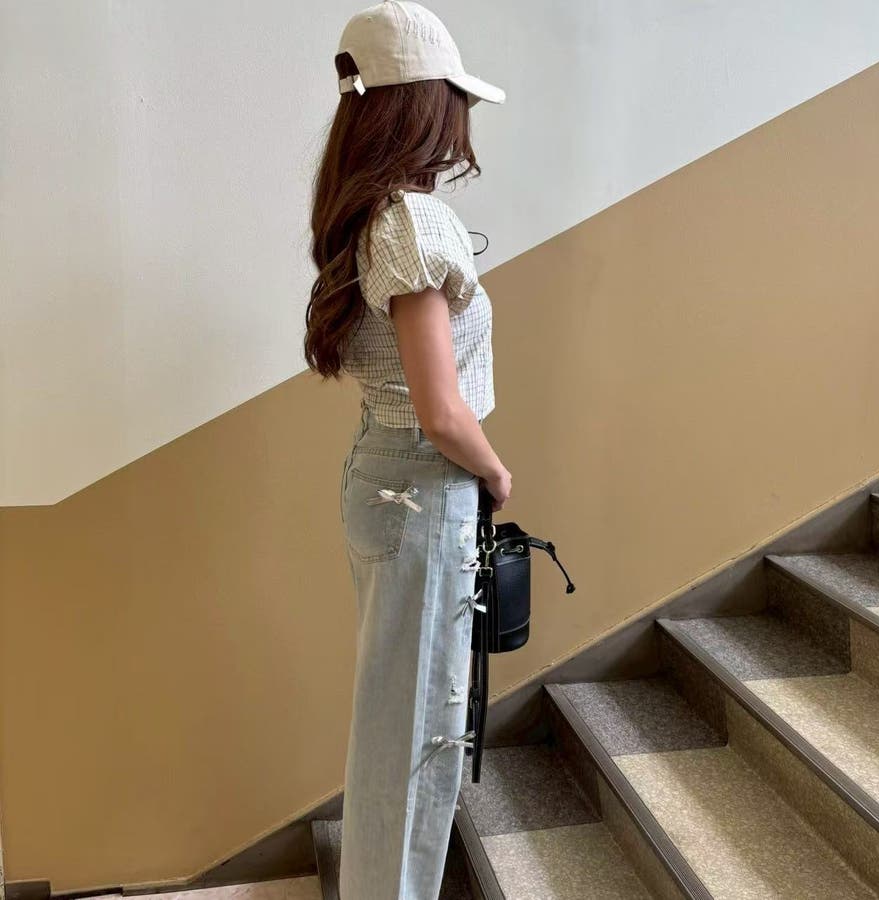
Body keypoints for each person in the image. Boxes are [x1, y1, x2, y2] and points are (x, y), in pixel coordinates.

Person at [303, 2, 510, 897]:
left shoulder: (363, 213)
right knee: (417, 736)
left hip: (381, 483)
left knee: (396, 721)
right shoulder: (416, 223)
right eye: (454, 102)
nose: (462, 122)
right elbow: (442, 412)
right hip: (424, 490)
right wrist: (495, 471)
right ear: (427, 105)